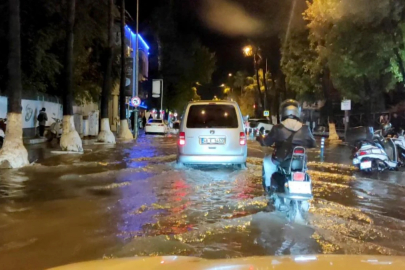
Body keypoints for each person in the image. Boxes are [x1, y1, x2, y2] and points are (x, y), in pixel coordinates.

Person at [257, 99, 316, 193]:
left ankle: (268, 189)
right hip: (300, 163)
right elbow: (313, 144)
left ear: (284, 112)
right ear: (298, 112)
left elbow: (266, 142)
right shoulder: (305, 128)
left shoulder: (278, 128)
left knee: (267, 161)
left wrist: (260, 138)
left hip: (281, 159)